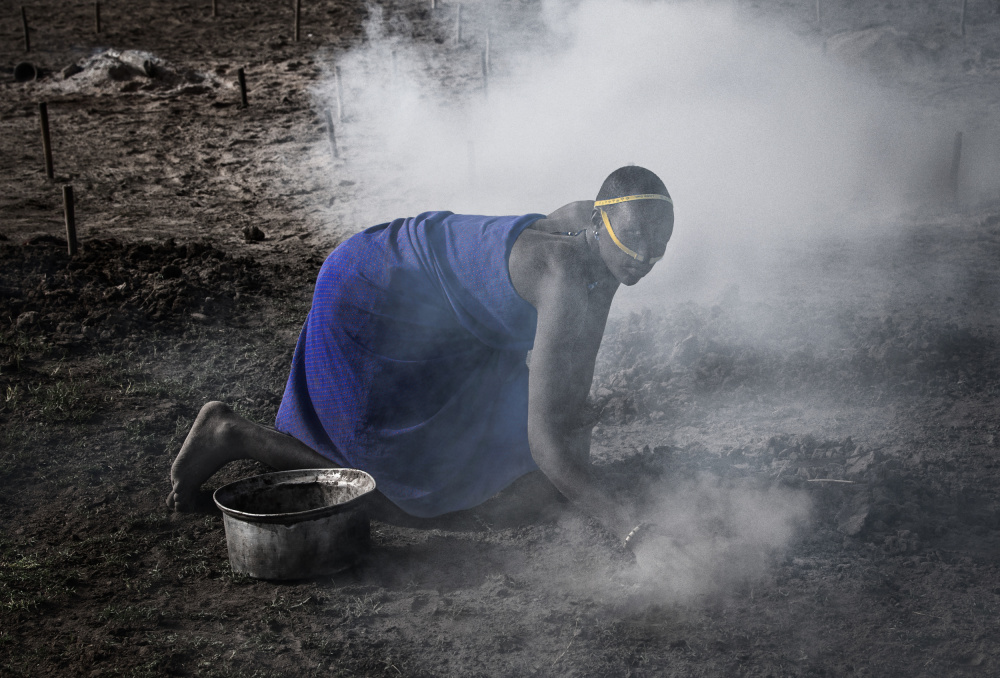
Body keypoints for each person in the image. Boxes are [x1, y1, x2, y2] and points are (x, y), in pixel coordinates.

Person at [167, 165, 674, 550]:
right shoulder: (565, 274)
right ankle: (233, 434)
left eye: (658, 251)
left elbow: (566, 405)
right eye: (634, 246)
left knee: (519, 480)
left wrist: (576, 457)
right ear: (601, 221)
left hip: (437, 314)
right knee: (406, 501)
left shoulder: (599, 234)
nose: (644, 262)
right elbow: (548, 441)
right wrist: (632, 530)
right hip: (377, 297)